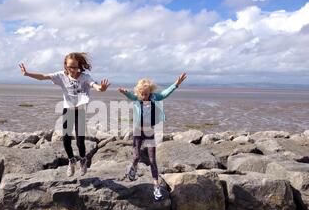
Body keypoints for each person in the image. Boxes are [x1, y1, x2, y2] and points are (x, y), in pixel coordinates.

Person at [19, 52, 110, 177]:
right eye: (70, 67)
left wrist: (101, 88)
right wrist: (27, 73)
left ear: (80, 66)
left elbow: (95, 86)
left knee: (80, 141)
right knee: (66, 140)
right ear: (65, 66)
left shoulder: (85, 77)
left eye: (75, 67)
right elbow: (43, 77)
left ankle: (83, 160)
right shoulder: (61, 76)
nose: (73, 70)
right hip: (68, 111)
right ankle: (71, 160)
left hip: (80, 112)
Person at [118, 72, 187, 201]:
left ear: (150, 92)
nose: (144, 96)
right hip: (138, 132)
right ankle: (133, 167)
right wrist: (124, 92)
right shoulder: (137, 98)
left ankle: (156, 186)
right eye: (142, 94)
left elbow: (166, 93)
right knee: (136, 156)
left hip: (150, 132)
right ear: (139, 93)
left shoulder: (155, 98)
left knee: (152, 160)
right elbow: (130, 95)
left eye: (146, 93)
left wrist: (176, 84)